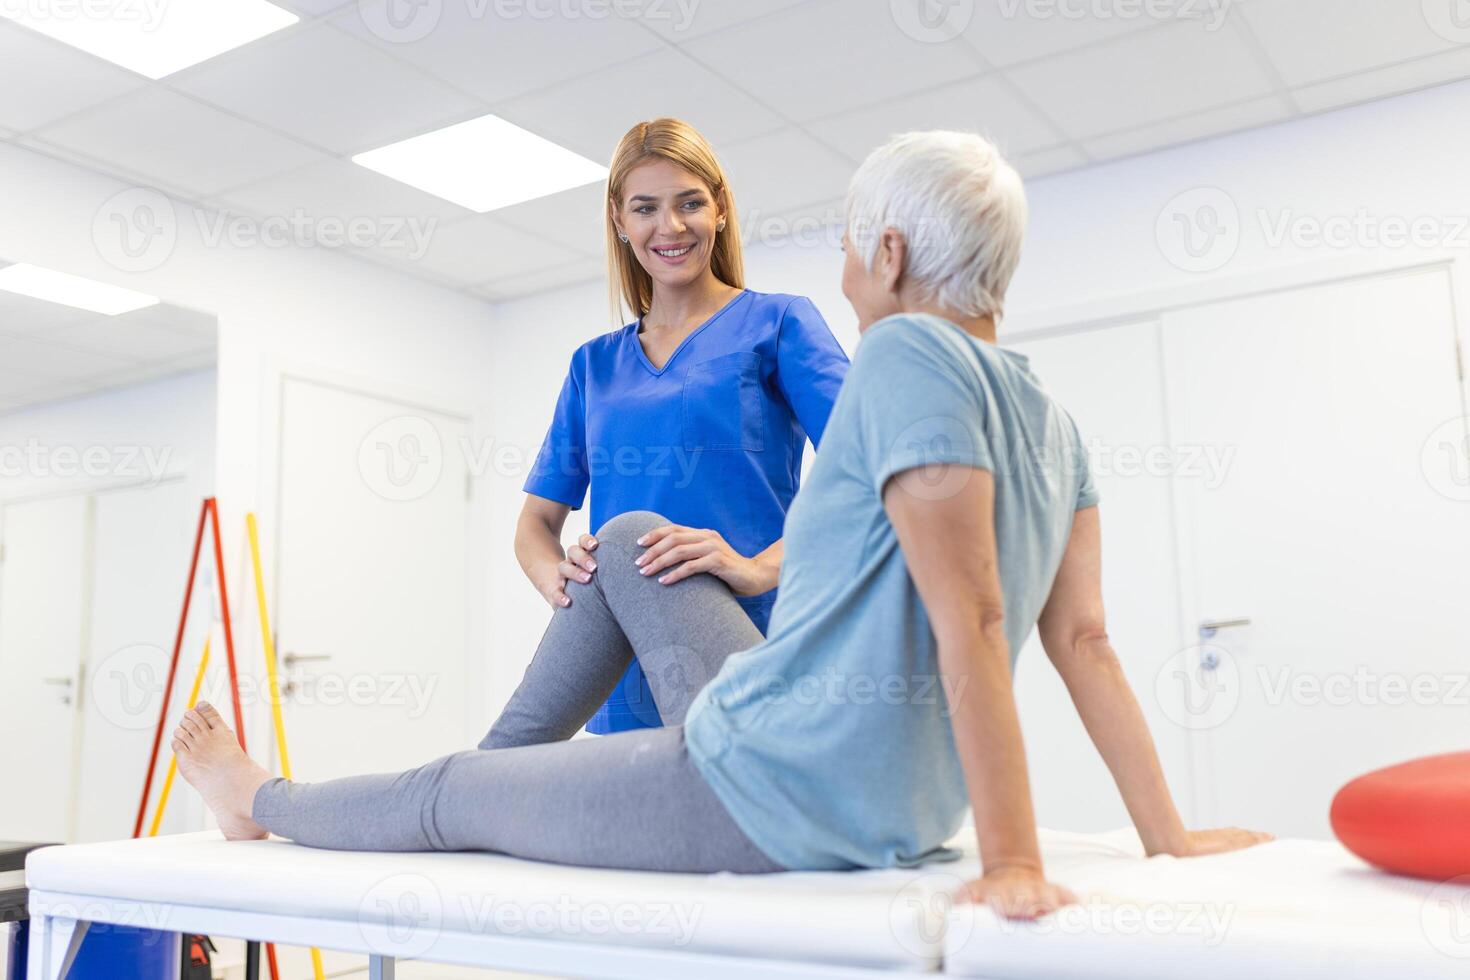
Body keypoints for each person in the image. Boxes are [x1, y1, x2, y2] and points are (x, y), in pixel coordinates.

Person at [173, 130, 1271, 920]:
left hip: (768, 787)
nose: (842, 274)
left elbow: (974, 613)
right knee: (638, 529)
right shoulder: (1052, 414)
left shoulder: (903, 353)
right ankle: (502, 787)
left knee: (456, 788)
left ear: (889, 253)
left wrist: (1016, 859)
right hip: (832, 758)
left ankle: (259, 796)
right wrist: (1167, 835)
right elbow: (1084, 642)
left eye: (850, 246)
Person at [514, 117, 849, 734]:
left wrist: (757, 567)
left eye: (689, 203)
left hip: (750, 641)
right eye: (645, 208)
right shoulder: (595, 365)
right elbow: (536, 524)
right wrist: (562, 583)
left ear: (720, 208)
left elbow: (869, 479)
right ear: (619, 221)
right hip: (624, 667)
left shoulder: (779, 326)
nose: (669, 227)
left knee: (738, 819)